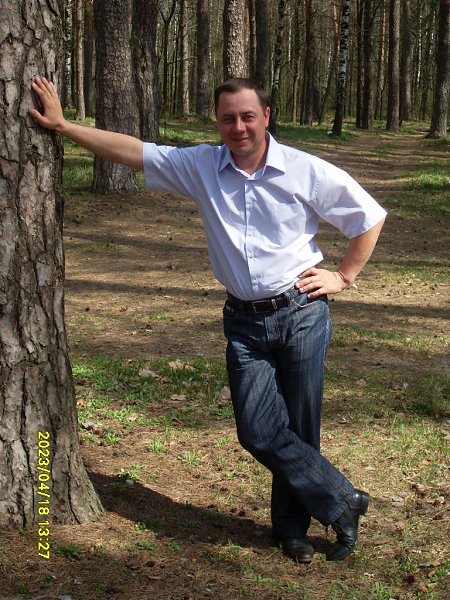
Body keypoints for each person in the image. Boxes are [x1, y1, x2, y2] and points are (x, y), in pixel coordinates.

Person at [30, 75, 386, 564]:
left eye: (247, 116)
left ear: (266, 117)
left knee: (299, 427)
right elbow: (134, 152)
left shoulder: (305, 170)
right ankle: (344, 501)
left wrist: (343, 277)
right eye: (227, 118)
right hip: (244, 321)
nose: (238, 127)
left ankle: (292, 531)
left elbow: (368, 216)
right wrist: (65, 127)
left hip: (301, 312)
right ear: (217, 122)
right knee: (258, 431)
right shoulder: (201, 166)